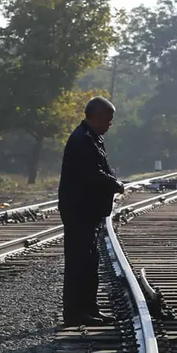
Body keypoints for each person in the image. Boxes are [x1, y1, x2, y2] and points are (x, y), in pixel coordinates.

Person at [58, 96, 125, 327]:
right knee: (79, 263)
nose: (110, 124)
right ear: (97, 116)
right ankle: (76, 312)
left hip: (88, 212)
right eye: (109, 119)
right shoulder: (82, 140)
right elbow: (91, 174)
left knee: (89, 262)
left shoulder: (92, 138)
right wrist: (114, 184)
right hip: (80, 211)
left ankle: (90, 309)